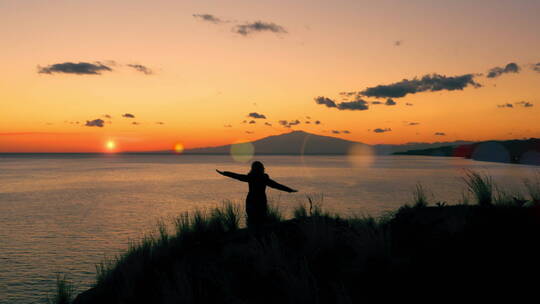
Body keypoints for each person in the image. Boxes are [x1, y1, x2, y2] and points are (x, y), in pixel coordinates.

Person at [216, 161, 297, 229]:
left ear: (253, 168)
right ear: (262, 168)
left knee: (253, 220)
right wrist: (289, 190)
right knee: (260, 220)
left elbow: (237, 176)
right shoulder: (263, 178)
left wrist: (224, 173)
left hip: (252, 200)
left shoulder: (251, 177)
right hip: (260, 201)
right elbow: (276, 185)